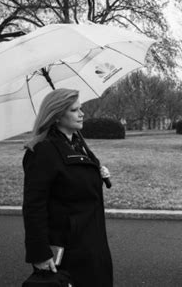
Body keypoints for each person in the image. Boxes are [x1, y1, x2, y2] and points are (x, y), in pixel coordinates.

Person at [22, 88, 113, 287]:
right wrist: (40, 253)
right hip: (68, 248)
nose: (82, 114)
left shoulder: (77, 144)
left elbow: (72, 179)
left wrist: (95, 172)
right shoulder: (42, 151)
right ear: (56, 116)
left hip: (92, 240)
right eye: (74, 110)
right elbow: (33, 206)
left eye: (80, 108)